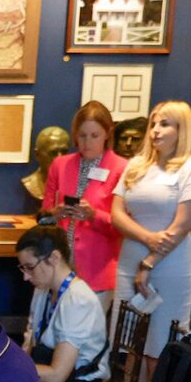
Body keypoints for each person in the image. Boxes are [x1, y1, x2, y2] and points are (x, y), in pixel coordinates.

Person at [107, 99, 191, 358]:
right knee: (129, 342)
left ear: (182, 130)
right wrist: (147, 238)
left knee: (161, 346)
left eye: (164, 124)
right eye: (153, 124)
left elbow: (183, 224)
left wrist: (150, 262)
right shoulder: (136, 165)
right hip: (130, 259)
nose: (155, 130)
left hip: (170, 264)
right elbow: (116, 214)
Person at [18, 223, 109, 382]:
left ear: (55, 258)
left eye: (30, 267)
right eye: (22, 268)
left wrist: (11, 367)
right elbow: (29, 346)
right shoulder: (43, 290)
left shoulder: (78, 299)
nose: (25, 276)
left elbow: (58, 375)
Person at [42, 98, 124, 292]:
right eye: (82, 136)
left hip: (98, 268)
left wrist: (94, 216)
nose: (87, 142)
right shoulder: (60, 165)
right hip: (59, 264)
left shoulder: (122, 168)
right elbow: (44, 214)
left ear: (107, 134)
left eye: (94, 135)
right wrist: (55, 213)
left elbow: (123, 226)